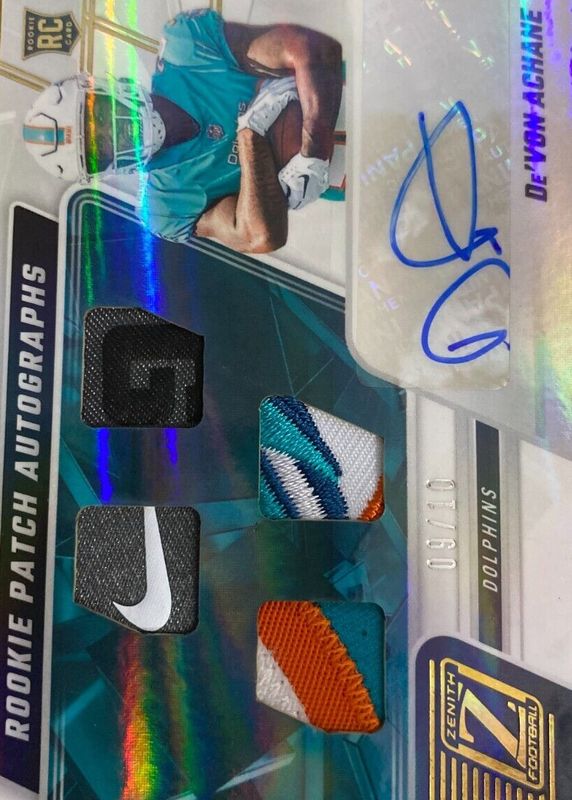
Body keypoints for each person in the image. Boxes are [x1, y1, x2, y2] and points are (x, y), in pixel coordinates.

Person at [23, 8, 343, 253]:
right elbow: (260, 236)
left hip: (358, 99)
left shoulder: (186, 47)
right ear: (102, 168)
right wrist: (250, 137)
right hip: (349, 180)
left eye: (100, 119)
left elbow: (312, 49)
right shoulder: (166, 207)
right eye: (99, 147)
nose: (114, 134)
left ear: (103, 89)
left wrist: (313, 151)